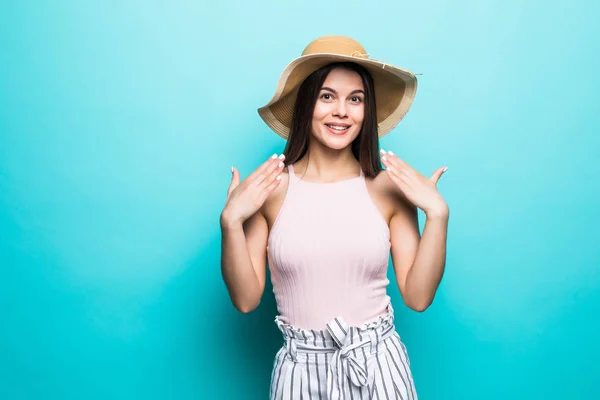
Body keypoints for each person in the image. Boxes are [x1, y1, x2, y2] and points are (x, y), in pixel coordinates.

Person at [220, 35, 449, 400]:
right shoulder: (270, 191)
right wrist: (231, 222)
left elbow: (419, 298)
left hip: (378, 367)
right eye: (327, 96)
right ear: (304, 104)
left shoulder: (388, 189)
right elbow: (246, 300)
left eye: (355, 99)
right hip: (300, 373)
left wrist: (437, 214)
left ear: (366, 111)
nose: (342, 111)